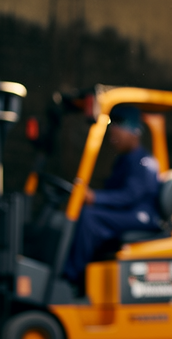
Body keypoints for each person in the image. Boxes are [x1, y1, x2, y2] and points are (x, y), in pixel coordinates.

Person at [63, 105, 162, 287]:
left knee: (90, 218)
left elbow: (130, 195)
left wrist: (96, 198)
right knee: (85, 213)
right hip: (128, 212)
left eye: (118, 130)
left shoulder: (144, 162)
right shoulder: (124, 160)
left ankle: (72, 277)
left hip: (141, 216)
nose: (113, 136)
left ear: (134, 132)